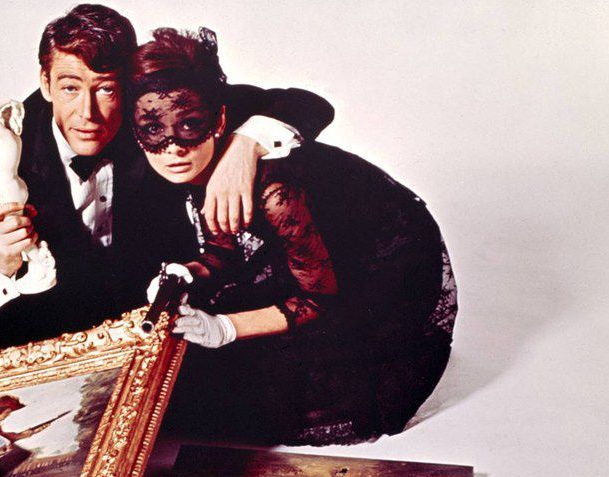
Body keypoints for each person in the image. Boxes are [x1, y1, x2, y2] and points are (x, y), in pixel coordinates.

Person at [0, 4, 335, 360]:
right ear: (45, 83)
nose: (88, 113)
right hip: (43, 315)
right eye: (71, 88)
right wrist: (2, 260)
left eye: (107, 90)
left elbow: (306, 104)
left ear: (129, 87)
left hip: (147, 310)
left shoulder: (157, 107)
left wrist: (244, 147)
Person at [130, 28, 457, 445]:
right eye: (153, 129)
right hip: (308, 251)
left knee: (254, 403)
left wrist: (225, 328)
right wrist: (188, 272)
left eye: (190, 125)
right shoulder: (186, 162)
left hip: (380, 265)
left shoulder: (275, 192)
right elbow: (222, 249)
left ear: (219, 121)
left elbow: (320, 300)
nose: (173, 147)